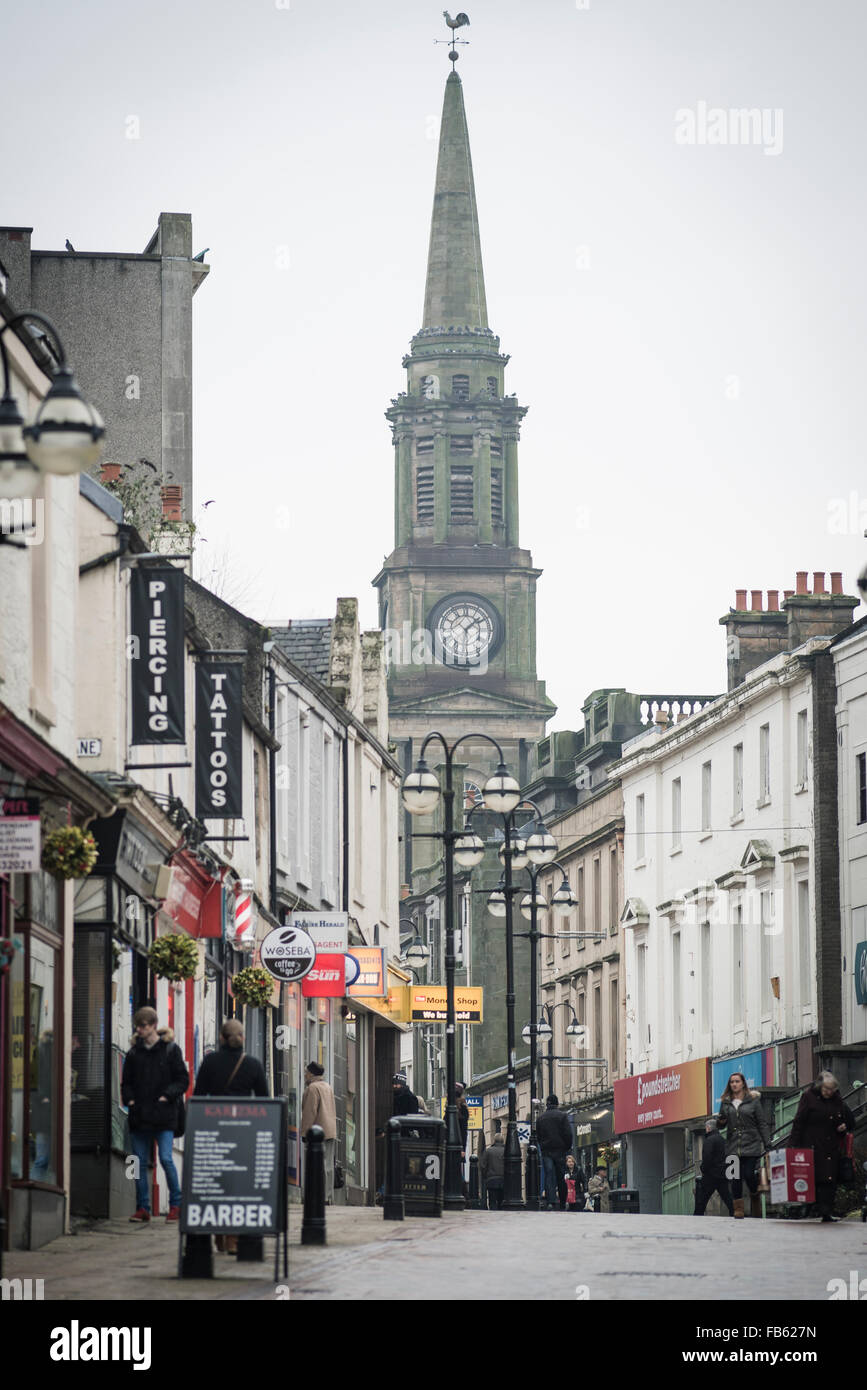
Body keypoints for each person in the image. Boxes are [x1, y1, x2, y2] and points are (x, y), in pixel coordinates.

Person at [194, 1019, 269, 1252]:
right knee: (239, 1186)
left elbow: (198, 1096)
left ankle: (218, 1233)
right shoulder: (253, 1065)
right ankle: (233, 1237)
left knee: (217, 1184)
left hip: (215, 1132)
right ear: (243, 1038)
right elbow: (265, 1101)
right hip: (243, 1133)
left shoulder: (210, 1062)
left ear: (221, 1038)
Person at [122, 1007, 189, 1222]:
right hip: (140, 1114)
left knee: (166, 1159)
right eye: (138, 1026)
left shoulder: (170, 1050)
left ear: (153, 1025)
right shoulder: (134, 1053)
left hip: (163, 1114)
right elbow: (127, 1082)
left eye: (143, 1026)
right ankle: (143, 1207)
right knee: (138, 1162)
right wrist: (130, 1100)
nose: (139, 1030)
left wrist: (166, 1096)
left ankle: (176, 1206)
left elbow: (182, 1080)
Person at [790, 1071, 855, 1223]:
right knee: (811, 1176)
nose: (828, 1093)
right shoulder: (808, 1097)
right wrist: (793, 1145)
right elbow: (799, 1121)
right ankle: (808, 1205)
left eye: (831, 1090)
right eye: (826, 1089)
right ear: (820, 1087)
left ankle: (826, 1212)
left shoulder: (837, 1100)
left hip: (830, 1145)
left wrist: (843, 1126)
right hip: (811, 1144)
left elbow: (848, 1120)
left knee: (829, 1179)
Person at [717, 1072, 771, 1218]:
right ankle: (738, 1209)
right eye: (732, 1082)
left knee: (748, 1175)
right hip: (732, 1146)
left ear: (743, 1083)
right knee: (735, 1177)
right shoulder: (726, 1102)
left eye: (737, 1081)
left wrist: (767, 1144)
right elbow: (721, 1125)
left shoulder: (753, 1100)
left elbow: (761, 1123)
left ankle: (755, 1196)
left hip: (751, 1144)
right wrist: (720, 1121)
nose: (734, 1084)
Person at [301, 1061, 337, 1204]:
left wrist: (305, 1133)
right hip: (330, 1130)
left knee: (317, 1164)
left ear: (311, 1074)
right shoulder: (327, 1087)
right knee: (328, 1166)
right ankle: (328, 1196)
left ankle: (317, 1195)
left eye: (306, 1072)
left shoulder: (312, 1088)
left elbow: (310, 1112)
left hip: (317, 1132)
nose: (304, 1075)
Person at [536, 1094, 573, 1211]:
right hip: (560, 1150)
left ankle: (550, 1201)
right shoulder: (562, 1116)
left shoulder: (540, 1118)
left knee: (549, 1175)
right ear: (557, 1103)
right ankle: (562, 1201)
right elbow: (568, 1134)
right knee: (560, 1177)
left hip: (547, 1151)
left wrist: (542, 1146)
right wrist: (566, 1147)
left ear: (547, 1104)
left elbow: (538, 1136)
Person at [694, 1118, 734, 1217]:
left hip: (710, 1175)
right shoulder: (722, 1140)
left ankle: (697, 1216)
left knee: (702, 1199)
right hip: (722, 1174)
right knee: (727, 1197)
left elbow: (707, 1157)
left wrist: (703, 1168)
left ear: (708, 1128)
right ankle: (735, 1212)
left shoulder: (709, 1140)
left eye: (706, 1127)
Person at [480, 1127, 505, 1209]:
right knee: (502, 1201)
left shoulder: (488, 1151)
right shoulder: (506, 1151)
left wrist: (486, 1177)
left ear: (494, 1140)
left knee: (492, 1201)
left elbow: (483, 1165)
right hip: (504, 1180)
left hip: (491, 1180)